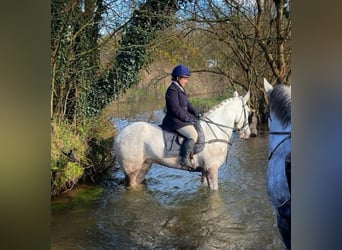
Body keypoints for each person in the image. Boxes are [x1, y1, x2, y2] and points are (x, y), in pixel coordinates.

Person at [161, 64, 201, 169]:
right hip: (174, 121)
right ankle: (184, 159)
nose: (186, 81)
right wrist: (187, 118)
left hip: (180, 119)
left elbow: (187, 104)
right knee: (193, 135)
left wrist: (196, 112)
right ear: (178, 78)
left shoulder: (180, 88)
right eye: (185, 78)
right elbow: (175, 109)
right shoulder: (172, 90)